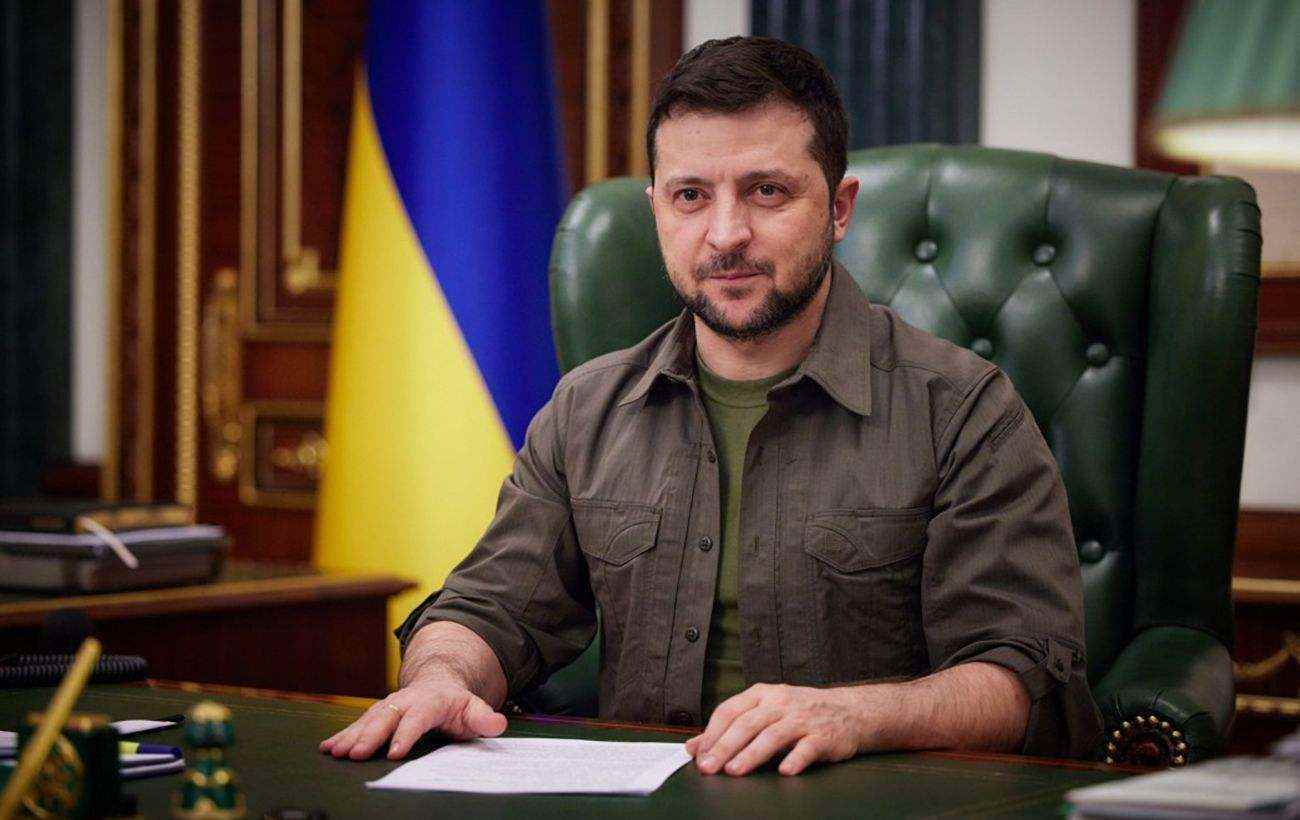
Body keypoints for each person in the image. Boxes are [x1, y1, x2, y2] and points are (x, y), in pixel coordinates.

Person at [320, 36, 1103, 777]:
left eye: (767, 192)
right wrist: (441, 678)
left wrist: (857, 716)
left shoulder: (962, 411)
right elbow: (490, 608)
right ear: (658, 209)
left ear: (839, 208)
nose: (725, 234)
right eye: (691, 196)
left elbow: (1024, 682)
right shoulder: (588, 410)